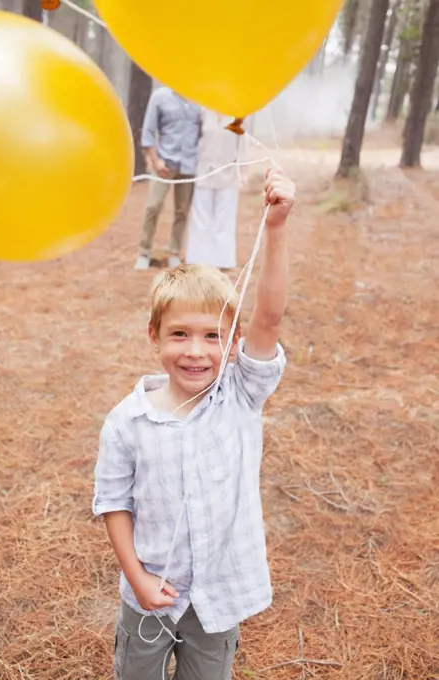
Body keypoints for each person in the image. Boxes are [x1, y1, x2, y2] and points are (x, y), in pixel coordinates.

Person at [93, 168, 295, 680]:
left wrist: (275, 227)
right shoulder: (126, 422)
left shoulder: (240, 395)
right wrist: (136, 579)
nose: (195, 351)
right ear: (154, 336)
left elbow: (269, 318)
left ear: (233, 341)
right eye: (179, 334)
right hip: (149, 598)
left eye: (211, 336)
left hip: (217, 596)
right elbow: (114, 505)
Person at [135, 87, 202, 271]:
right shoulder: (160, 97)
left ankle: (174, 252)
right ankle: (144, 252)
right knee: (153, 206)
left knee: (182, 211)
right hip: (165, 163)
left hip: (189, 165)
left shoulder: (200, 99)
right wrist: (155, 161)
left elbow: (204, 132)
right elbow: (148, 132)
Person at [184, 110, 242, 270]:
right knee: (201, 217)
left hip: (228, 172)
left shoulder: (238, 114)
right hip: (204, 170)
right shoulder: (203, 112)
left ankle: (223, 260)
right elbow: (194, 140)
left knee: (225, 218)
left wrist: (243, 170)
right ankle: (198, 259)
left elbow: (243, 144)